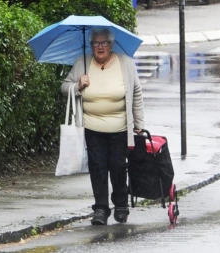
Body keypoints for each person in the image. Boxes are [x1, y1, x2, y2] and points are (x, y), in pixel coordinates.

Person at [60, 27, 144, 225]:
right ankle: (100, 209)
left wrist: (139, 124)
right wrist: (77, 86)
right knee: (97, 167)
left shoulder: (126, 63)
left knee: (118, 167)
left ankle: (121, 205)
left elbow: (137, 93)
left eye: (104, 43)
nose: (100, 47)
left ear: (111, 45)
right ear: (90, 45)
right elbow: (64, 87)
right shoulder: (82, 63)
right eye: (96, 43)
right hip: (92, 127)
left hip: (120, 128)